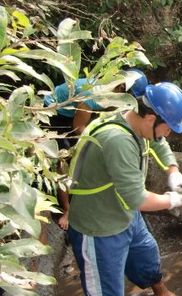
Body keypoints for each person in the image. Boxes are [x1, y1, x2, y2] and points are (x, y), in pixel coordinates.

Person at [67, 82, 182, 296]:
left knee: (147, 257)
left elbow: (159, 143)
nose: (169, 134)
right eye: (168, 127)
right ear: (151, 117)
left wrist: (175, 175)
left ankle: (160, 292)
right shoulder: (118, 140)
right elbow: (138, 198)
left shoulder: (136, 118)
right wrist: (174, 199)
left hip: (124, 213)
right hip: (98, 226)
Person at [46, 69, 150, 230]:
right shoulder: (93, 96)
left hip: (72, 113)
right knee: (65, 159)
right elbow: (79, 128)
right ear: (122, 88)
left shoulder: (111, 92)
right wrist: (99, 145)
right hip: (52, 113)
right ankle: (67, 209)